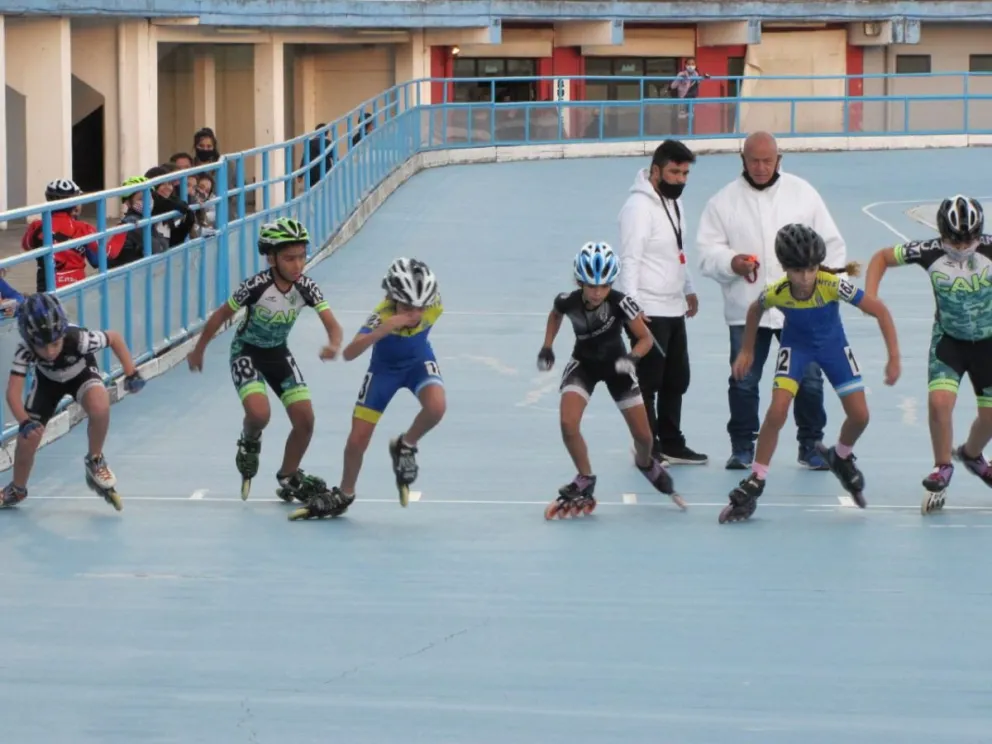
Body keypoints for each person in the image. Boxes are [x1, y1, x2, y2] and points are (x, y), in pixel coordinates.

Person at [719, 224, 900, 524]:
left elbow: (880, 311)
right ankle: (757, 477)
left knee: (860, 416)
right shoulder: (777, 292)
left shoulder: (831, 285)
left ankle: (841, 455)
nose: (805, 278)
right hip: (797, 348)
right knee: (777, 412)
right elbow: (754, 310)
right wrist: (747, 350)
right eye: (797, 271)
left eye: (811, 270)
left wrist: (893, 357)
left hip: (833, 348)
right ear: (784, 268)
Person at [697, 130, 849, 471]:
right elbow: (707, 253)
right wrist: (731, 262)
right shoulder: (722, 202)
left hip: (801, 310)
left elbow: (832, 245)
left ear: (779, 159)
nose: (761, 167)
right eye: (754, 161)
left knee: (810, 378)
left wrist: (830, 291)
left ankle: (810, 445)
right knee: (744, 379)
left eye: (768, 161)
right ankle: (742, 448)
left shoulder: (803, 194)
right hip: (746, 309)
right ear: (742, 160)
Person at [187, 217, 343, 502]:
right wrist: (199, 350)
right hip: (246, 352)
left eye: (301, 256)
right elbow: (221, 315)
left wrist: (333, 343)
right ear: (271, 259)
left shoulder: (306, 287)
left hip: (278, 353)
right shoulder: (255, 286)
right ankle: (249, 438)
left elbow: (332, 324)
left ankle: (288, 475)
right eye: (289, 258)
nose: (298, 265)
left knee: (306, 421)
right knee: (260, 415)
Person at [289, 257, 447, 521]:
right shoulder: (382, 315)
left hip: (418, 363)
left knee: (437, 407)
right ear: (391, 298)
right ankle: (345, 493)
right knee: (357, 440)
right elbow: (350, 353)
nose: (413, 314)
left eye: (420, 308)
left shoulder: (435, 306)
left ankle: (405, 445)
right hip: (383, 372)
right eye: (406, 307)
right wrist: (383, 330)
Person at [536, 242, 684, 520]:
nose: (597, 292)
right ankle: (585, 478)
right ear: (579, 282)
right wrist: (547, 345)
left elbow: (645, 339)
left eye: (604, 286)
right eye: (591, 286)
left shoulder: (620, 302)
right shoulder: (567, 301)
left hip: (618, 368)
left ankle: (645, 463)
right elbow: (555, 315)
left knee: (644, 438)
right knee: (568, 424)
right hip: (584, 366)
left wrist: (632, 358)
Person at [865, 195, 992, 514]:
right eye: (954, 239)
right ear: (941, 233)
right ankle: (942, 466)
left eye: (968, 240)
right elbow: (881, 258)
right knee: (939, 404)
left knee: (990, 419)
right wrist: (871, 297)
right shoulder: (928, 251)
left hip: (988, 345)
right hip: (949, 342)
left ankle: (972, 455)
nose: (961, 247)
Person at [3, 293, 146, 511]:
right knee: (27, 440)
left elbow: (115, 338)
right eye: (42, 346)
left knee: (100, 406)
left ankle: (95, 459)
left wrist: (131, 372)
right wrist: (24, 422)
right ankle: (17, 488)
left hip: (81, 373)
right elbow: (13, 394)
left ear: (62, 333)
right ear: (30, 341)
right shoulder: (24, 350)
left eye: (55, 343)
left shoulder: (78, 338)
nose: (50, 352)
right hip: (47, 383)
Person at [617, 139, 706, 466]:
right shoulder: (638, 209)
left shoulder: (673, 203)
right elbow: (630, 260)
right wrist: (633, 310)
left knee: (676, 379)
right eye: (674, 172)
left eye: (685, 173)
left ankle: (671, 442)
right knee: (648, 383)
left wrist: (688, 287)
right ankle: (647, 445)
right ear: (655, 171)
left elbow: (676, 251)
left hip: (673, 307)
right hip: (649, 311)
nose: (681, 179)